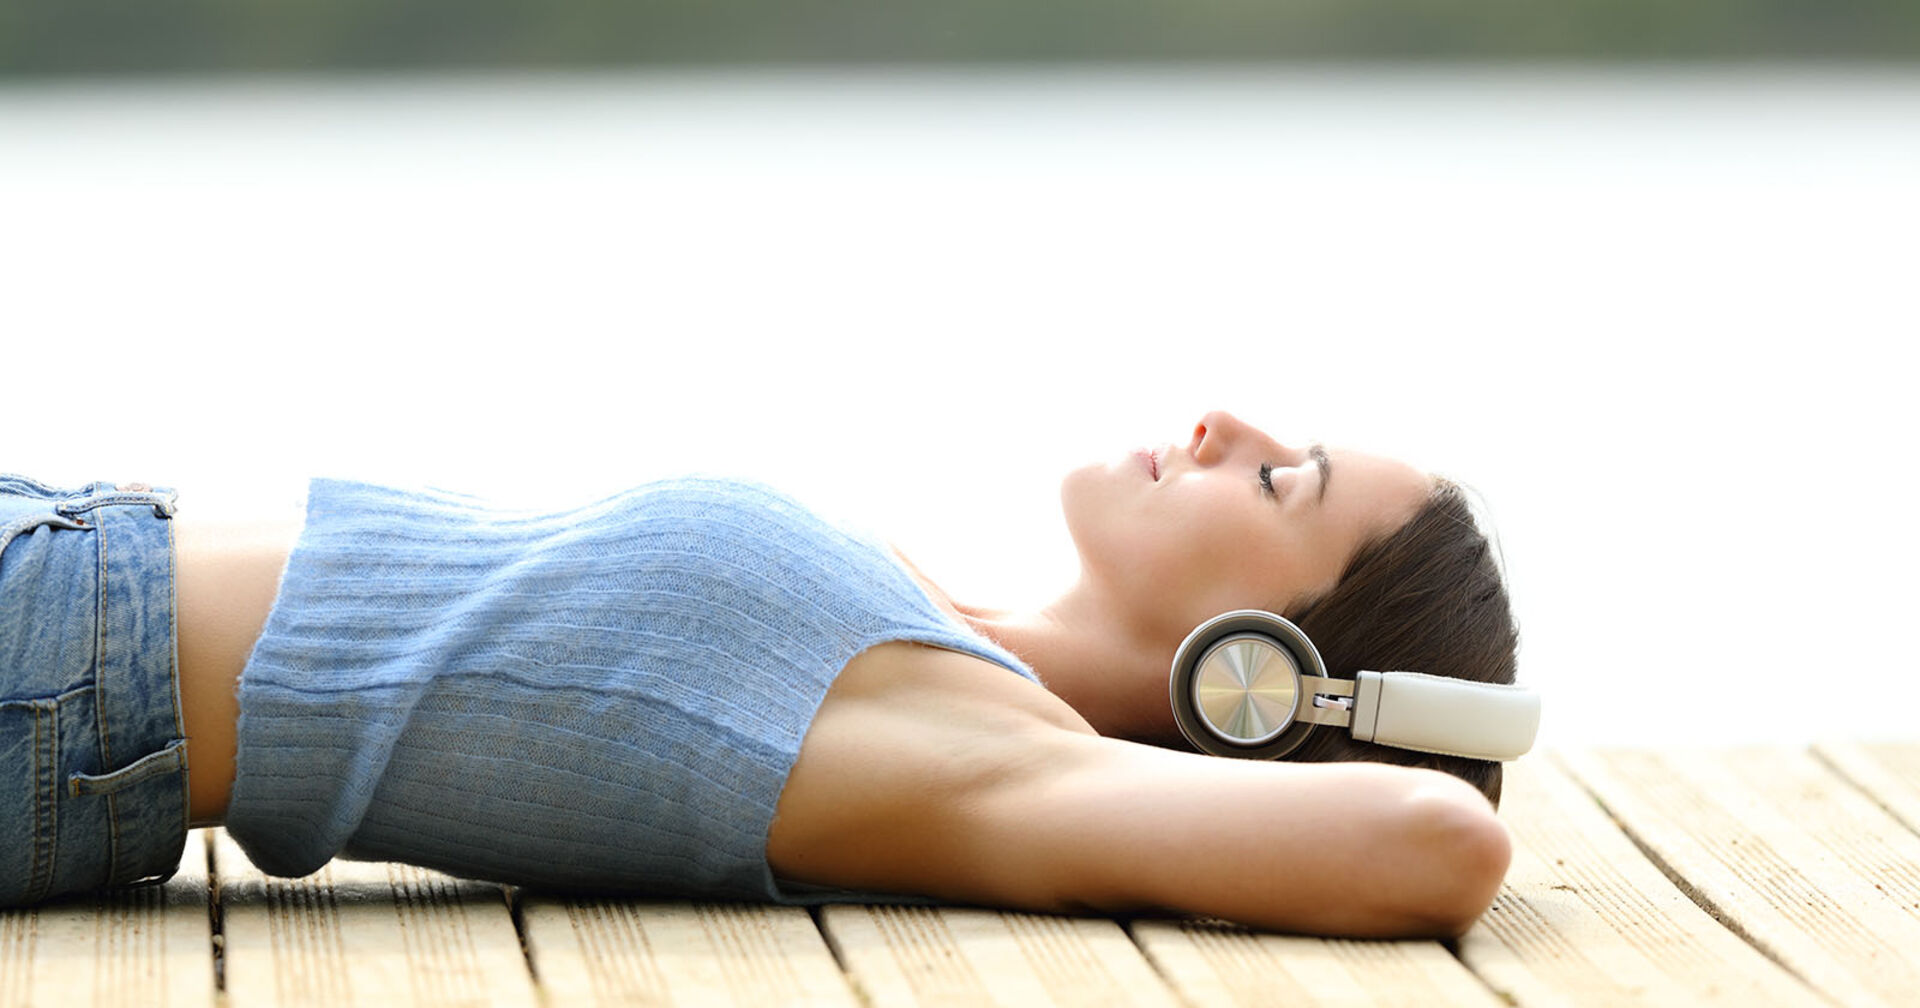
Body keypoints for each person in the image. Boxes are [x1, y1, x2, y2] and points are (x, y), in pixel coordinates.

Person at [0, 410, 1520, 937]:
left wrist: (1345, 728)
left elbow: (1441, 842)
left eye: (1279, 485)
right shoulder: (947, 632)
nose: (1220, 425)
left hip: (59, 680)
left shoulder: (985, 754)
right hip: (64, 553)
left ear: (1256, 679)